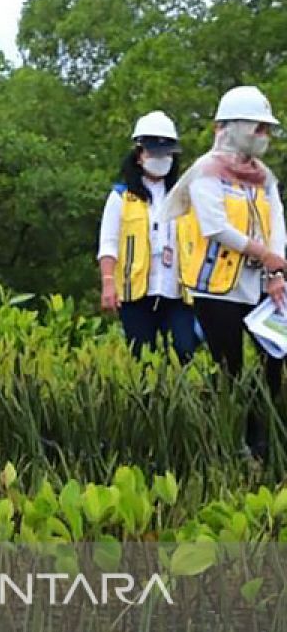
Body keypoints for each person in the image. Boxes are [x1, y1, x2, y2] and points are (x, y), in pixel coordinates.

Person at [164, 86, 287, 461]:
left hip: (260, 286)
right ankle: (227, 442)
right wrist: (264, 254)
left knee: (274, 359)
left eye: (266, 129)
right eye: (257, 127)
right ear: (232, 126)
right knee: (229, 366)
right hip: (217, 288)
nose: (262, 136)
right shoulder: (205, 172)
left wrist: (277, 269)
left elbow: (276, 221)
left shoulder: (263, 176)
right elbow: (215, 226)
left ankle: (264, 438)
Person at [98, 111, 197, 362]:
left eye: (165, 153)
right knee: (142, 358)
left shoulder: (185, 196)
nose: (159, 158)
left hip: (176, 290)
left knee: (184, 350)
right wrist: (108, 283)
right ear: (139, 154)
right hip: (137, 292)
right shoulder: (121, 196)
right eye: (153, 152)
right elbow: (108, 244)